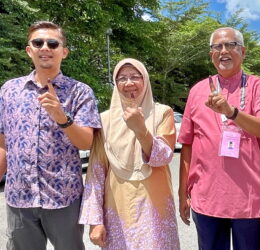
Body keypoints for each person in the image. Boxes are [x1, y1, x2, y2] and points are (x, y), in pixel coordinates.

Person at [0, 21, 101, 250]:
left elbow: (87, 142)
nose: (45, 47)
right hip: (19, 196)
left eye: (52, 43)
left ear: (63, 52)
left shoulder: (80, 91)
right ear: (29, 50)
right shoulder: (8, 90)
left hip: (63, 196)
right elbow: (3, 144)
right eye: (38, 42)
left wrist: (60, 116)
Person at [177, 27, 260, 250]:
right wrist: (182, 191)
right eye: (217, 47)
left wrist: (232, 112)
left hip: (250, 200)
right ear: (211, 54)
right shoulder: (197, 90)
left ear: (243, 52)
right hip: (206, 197)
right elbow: (187, 144)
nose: (223, 51)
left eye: (230, 45)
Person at [79, 58, 180, 249]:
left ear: (146, 81)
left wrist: (141, 130)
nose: (128, 83)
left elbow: (164, 157)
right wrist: (95, 221)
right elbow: (96, 172)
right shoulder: (104, 120)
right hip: (117, 209)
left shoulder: (162, 113)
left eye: (135, 76)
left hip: (155, 209)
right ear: (115, 84)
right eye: (122, 78)